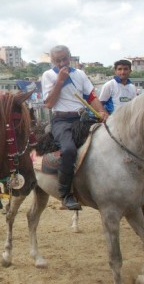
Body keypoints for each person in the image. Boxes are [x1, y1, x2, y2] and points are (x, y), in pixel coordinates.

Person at [41, 45, 108, 210]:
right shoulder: (48, 75)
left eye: (64, 58)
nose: (62, 62)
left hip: (83, 118)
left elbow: (91, 96)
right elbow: (49, 103)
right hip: (61, 121)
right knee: (69, 150)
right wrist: (60, 81)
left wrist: (101, 111)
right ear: (52, 61)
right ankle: (65, 194)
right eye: (58, 60)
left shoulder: (80, 74)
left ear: (70, 57)